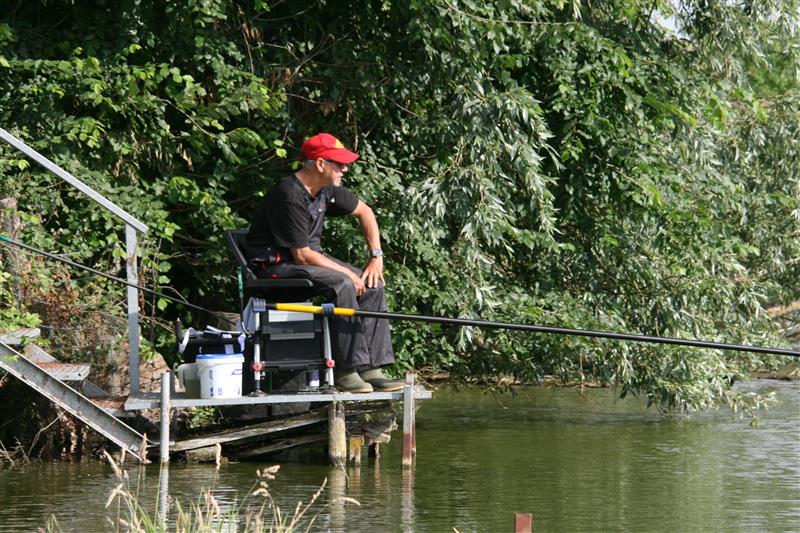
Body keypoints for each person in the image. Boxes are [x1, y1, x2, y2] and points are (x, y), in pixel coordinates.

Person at [245, 132, 403, 393]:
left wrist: (376, 257)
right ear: (320, 164)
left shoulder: (326, 190)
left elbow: (365, 212)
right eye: (339, 164)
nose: (345, 169)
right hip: (277, 267)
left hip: (308, 261)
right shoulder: (288, 194)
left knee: (372, 283)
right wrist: (347, 273)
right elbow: (302, 255)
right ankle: (346, 370)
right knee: (343, 283)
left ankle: (372, 368)